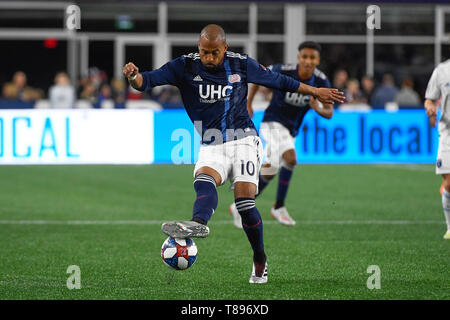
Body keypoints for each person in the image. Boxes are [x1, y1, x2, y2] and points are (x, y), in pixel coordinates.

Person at [123, 25, 344, 283]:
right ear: (199, 47)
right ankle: (198, 223)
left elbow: (280, 81)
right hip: (212, 142)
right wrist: (132, 77)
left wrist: (315, 91)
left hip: (245, 140)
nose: (209, 58)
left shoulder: (240, 64)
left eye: (215, 53)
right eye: (204, 52)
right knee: (203, 180)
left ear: (225, 48)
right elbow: (145, 82)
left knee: (244, 204)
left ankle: (259, 258)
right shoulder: (184, 66)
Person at [229, 41, 334, 228]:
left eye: (312, 57)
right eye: (305, 57)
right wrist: (248, 103)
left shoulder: (321, 81)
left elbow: (329, 112)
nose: (308, 61)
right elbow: (258, 78)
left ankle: (239, 206)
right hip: (272, 123)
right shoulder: (284, 70)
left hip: (291, 130)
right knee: (291, 158)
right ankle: (279, 207)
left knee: (270, 170)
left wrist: (317, 107)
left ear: (318, 60)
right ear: (298, 57)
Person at [424, 59, 450, 240]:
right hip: (448, 133)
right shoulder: (441, 70)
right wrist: (431, 108)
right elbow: (429, 100)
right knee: (449, 182)